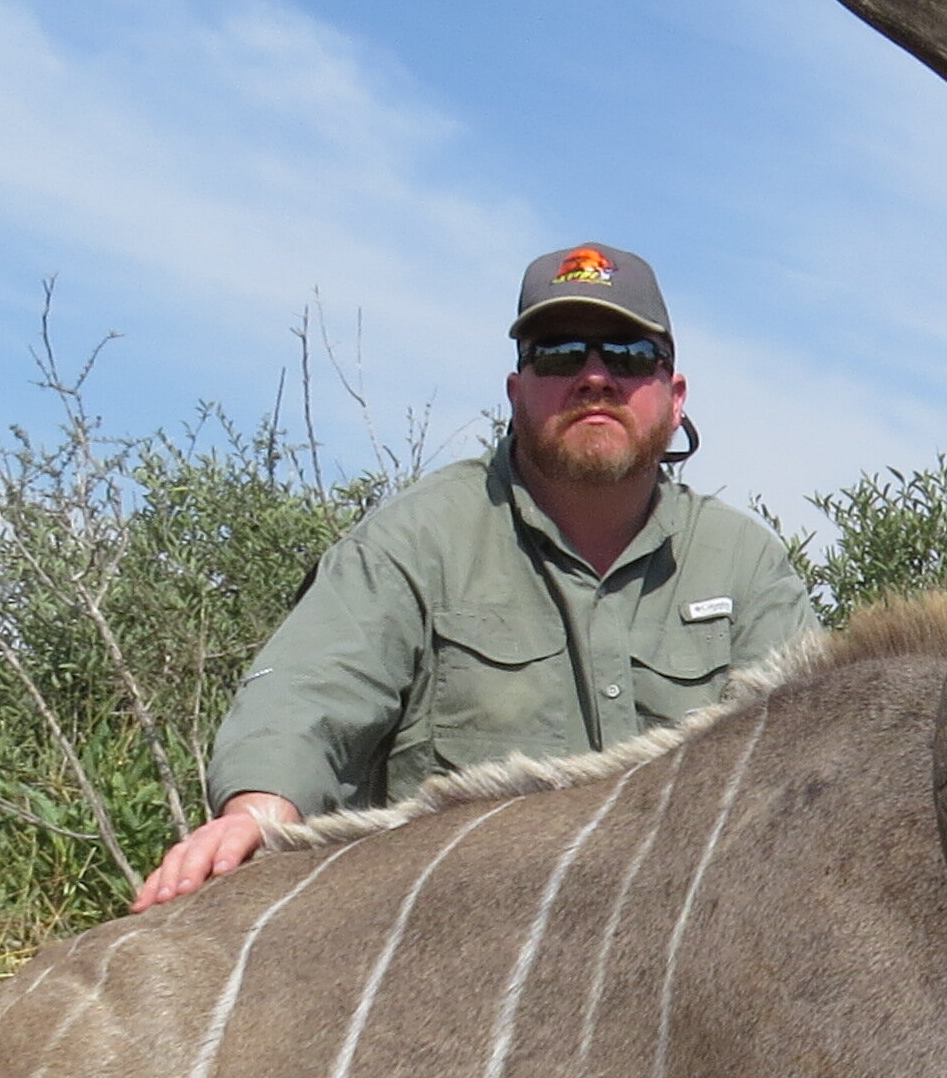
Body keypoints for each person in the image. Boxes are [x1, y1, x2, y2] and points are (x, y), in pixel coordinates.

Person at [131, 241, 817, 909]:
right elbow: (316, 687)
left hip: (681, 937)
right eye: (559, 353)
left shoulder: (746, 564)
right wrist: (257, 810)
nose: (595, 376)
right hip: (458, 944)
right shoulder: (415, 539)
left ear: (675, 395)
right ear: (516, 392)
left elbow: (810, 757)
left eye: (631, 356)